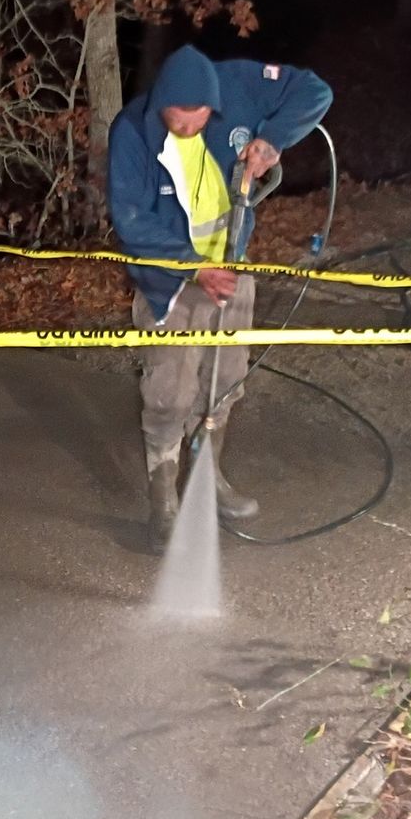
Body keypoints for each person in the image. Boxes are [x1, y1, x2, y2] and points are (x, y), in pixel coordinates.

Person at [108, 45, 332, 550]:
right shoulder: (132, 132)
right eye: (177, 115)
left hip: (232, 269)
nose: (188, 125)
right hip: (172, 282)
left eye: (199, 114)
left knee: (227, 380)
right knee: (171, 393)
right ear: (160, 101)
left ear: (215, 103)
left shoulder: (239, 85)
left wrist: (272, 141)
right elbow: (132, 222)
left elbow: (315, 90)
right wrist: (193, 268)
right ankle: (163, 503)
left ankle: (206, 481)